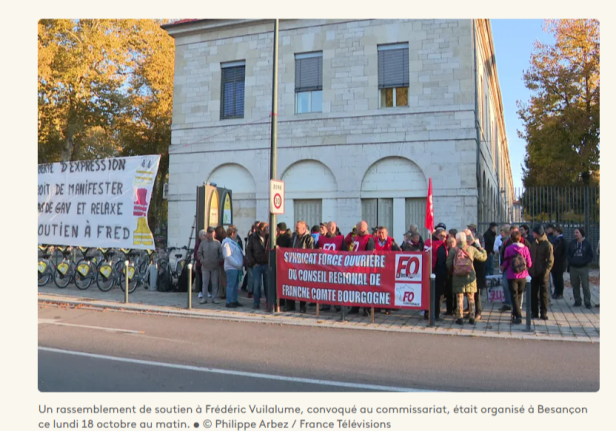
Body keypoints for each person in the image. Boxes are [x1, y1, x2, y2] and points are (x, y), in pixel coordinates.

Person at [446, 231, 487, 325]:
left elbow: (448, 263)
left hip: (458, 276)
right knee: (471, 297)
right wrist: (482, 249)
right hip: (470, 275)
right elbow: (483, 257)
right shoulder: (471, 249)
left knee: (459, 297)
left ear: (457, 240)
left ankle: (459, 317)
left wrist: (454, 271)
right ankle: (472, 317)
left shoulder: (453, 250)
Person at [502, 230, 532, 324]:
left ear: (511, 239)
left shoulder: (509, 248)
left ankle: (518, 315)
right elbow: (529, 263)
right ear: (520, 238)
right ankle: (515, 314)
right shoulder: (525, 249)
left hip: (512, 275)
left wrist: (503, 267)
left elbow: (506, 261)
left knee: (514, 295)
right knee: (519, 294)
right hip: (523, 275)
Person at [285, 221, 314, 313]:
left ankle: (302, 306)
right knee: (290, 285)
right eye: (296, 227)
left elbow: (311, 252)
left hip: (303, 266)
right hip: (293, 265)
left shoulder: (309, 238)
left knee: (302, 287)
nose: (296, 229)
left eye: (298, 228)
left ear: (304, 229)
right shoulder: (293, 236)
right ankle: (290, 305)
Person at [316, 221, 345, 312]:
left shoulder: (340, 239)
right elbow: (315, 250)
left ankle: (337, 305)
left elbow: (345, 252)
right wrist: (318, 250)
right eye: (329, 227)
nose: (331, 229)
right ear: (327, 228)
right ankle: (326, 304)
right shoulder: (321, 239)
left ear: (335, 228)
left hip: (336, 267)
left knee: (337, 287)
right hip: (325, 266)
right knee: (325, 286)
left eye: (333, 227)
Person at [348, 221, 375, 316]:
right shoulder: (356, 238)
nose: (355, 230)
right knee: (355, 288)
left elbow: (369, 254)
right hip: (355, 267)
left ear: (361, 228)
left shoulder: (369, 239)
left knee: (365, 289)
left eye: (357, 228)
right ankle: (355, 307)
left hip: (364, 268)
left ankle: (367, 309)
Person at [529, 225, 554, 320]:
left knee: (543, 294)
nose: (532, 234)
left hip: (543, 273)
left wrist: (545, 272)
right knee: (533, 293)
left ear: (538, 233)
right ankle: (534, 312)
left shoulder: (547, 244)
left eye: (534, 232)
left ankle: (543, 312)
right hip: (533, 272)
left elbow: (550, 261)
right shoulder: (534, 243)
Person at [566, 228, 594, 308]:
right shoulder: (572, 243)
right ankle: (577, 301)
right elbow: (568, 254)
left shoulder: (587, 244)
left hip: (583, 267)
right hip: (573, 267)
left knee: (585, 285)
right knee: (575, 285)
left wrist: (584, 261)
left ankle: (587, 302)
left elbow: (590, 255)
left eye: (577, 232)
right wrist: (571, 261)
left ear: (581, 233)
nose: (575, 234)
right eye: (575, 232)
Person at [246, 222, 270, 310]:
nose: (266, 231)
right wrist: (253, 262)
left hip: (267, 264)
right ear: (260, 230)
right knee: (256, 285)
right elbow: (248, 250)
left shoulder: (269, 237)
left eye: (267, 229)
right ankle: (256, 303)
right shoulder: (253, 237)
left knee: (268, 285)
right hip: (257, 264)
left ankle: (269, 303)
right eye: (264, 229)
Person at [197, 227, 222, 304]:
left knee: (215, 283)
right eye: (209, 233)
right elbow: (199, 253)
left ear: (214, 233)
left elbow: (221, 254)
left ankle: (214, 298)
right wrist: (202, 260)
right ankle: (204, 298)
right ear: (207, 233)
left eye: (211, 233)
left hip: (215, 267)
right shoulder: (203, 243)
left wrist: (218, 260)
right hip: (205, 267)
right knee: (205, 283)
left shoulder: (217, 243)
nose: (210, 234)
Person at [221, 225, 244, 308]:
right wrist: (237, 263)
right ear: (232, 234)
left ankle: (234, 300)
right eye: (236, 233)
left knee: (235, 285)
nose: (237, 235)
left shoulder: (233, 242)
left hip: (236, 267)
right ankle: (229, 301)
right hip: (231, 267)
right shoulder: (227, 243)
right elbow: (228, 256)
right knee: (231, 285)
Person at [465, 229, 485, 321]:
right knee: (470, 294)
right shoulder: (467, 246)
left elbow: (482, 259)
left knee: (476, 294)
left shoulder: (476, 246)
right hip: (470, 274)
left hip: (477, 274)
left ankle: (478, 312)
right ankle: (471, 311)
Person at [433, 229, 450, 320]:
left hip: (431, 272)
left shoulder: (430, 243)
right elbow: (441, 261)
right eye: (442, 236)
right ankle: (436, 314)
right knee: (438, 295)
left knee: (433, 294)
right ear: (437, 235)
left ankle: (429, 313)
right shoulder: (440, 246)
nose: (444, 238)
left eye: (445, 236)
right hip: (439, 273)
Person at [551, 225, 567, 300]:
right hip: (554, 262)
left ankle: (560, 293)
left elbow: (565, 252)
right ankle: (556, 291)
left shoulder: (562, 240)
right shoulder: (555, 239)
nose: (553, 233)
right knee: (555, 278)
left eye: (554, 231)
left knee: (559, 278)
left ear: (558, 232)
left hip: (559, 263)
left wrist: (561, 260)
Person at [444, 236, 457, 316]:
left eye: (452, 242)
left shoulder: (455, 250)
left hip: (453, 273)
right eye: (449, 243)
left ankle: (454, 309)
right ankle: (450, 310)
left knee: (454, 293)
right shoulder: (447, 250)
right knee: (449, 292)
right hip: (450, 273)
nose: (451, 244)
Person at [215, 226, 228, 300]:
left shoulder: (219, 241)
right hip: (224, 261)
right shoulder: (225, 240)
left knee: (222, 278)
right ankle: (223, 292)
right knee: (223, 278)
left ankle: (223, 293)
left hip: (222, 261)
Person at [194, 231, 203, 299]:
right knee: (201, 278)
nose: (205, 236)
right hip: (200, 264)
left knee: (206, 279)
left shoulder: (206, 242)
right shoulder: (198, 244)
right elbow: (196, 254)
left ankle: (205, 291)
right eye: (203, 235)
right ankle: (200, 291)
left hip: (206, 264)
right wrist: (200, 260)